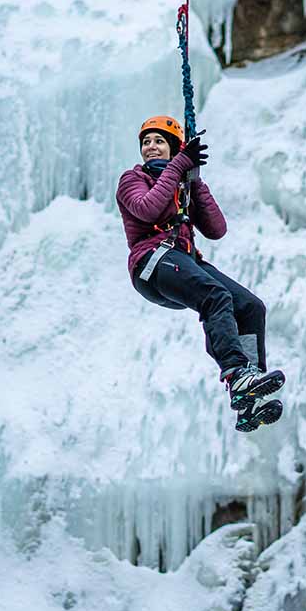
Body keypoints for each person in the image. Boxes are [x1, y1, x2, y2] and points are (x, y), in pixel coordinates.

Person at [116, 115, 285, 432]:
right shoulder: (131, 179)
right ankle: (237, 374)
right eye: (146, 142)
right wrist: (179, 166)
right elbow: (147, 209)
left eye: (158, 142)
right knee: (215, 296)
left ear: (173, 147)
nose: (150, 147)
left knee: (250, 307)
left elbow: (216, 229)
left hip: (182, 258)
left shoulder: (183, 184)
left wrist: (194, 181)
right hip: (152, 260)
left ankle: (251, 393)